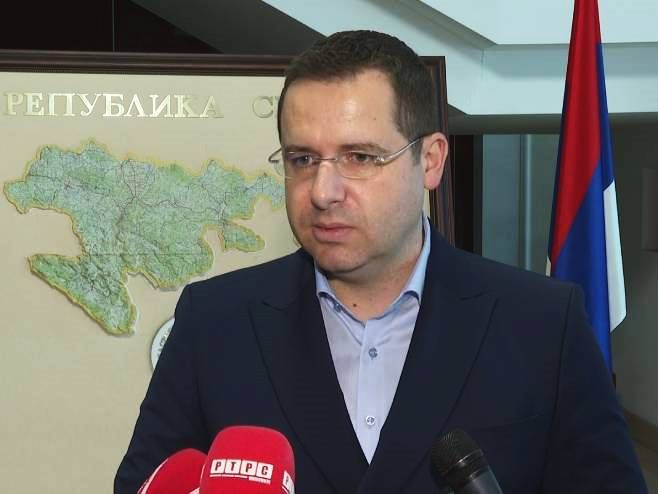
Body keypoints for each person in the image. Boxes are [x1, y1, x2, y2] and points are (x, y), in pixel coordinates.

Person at [115, 30, 647, 493]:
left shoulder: (543, 323)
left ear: (430, 161)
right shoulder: (214, 321)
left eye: (360, 157)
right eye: (303, 159)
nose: (322, 191)